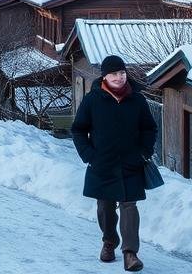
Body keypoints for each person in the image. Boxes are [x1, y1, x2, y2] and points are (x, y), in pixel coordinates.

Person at [71, 55, 158, 273]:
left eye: (121, 73)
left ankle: (130, 253)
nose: (119, 78)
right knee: (105, 207)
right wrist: (90, 156)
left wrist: (144, 153)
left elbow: (149, 128)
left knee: (130, 206)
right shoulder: (93, 100)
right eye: (113, 74)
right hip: (103, 164)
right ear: (105, 77)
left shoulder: (137, 100)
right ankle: (109, 241)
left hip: (131, 163)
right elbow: (79, 130)